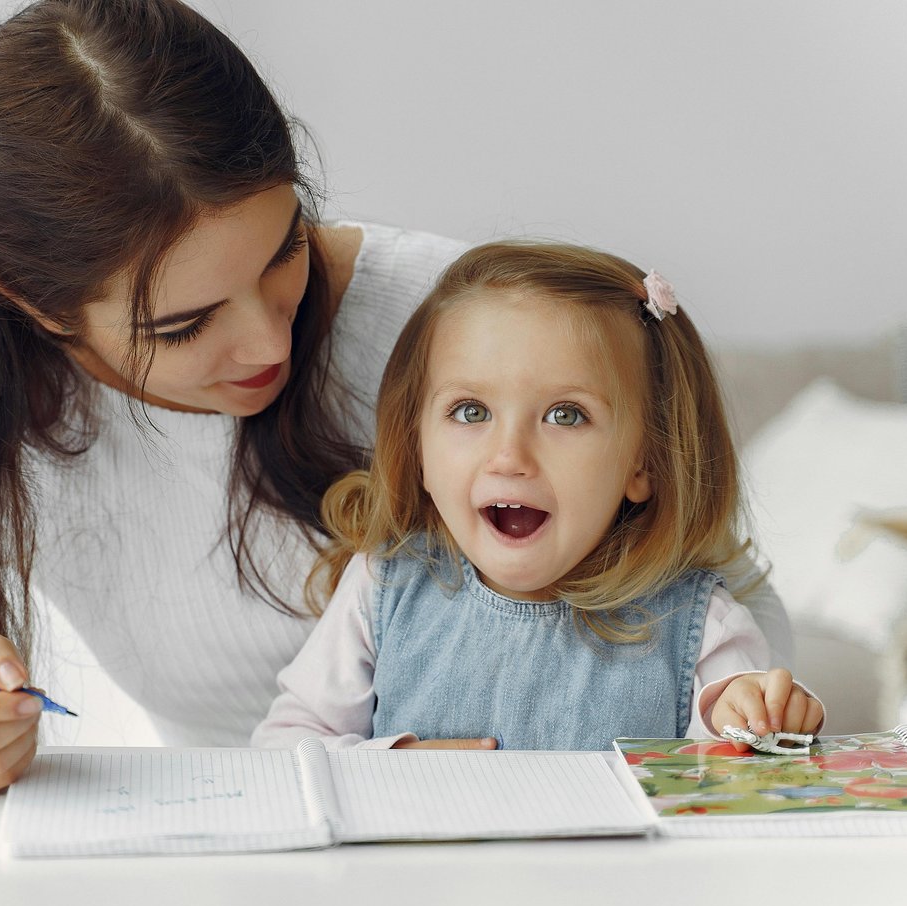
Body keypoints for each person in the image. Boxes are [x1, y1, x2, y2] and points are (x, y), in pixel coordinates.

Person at [0, 0, 794, 794]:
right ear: (37, 310)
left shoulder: (463, 330)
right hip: (227, 868)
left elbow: (713, 594)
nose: (267, 335)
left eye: (284, 249)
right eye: (180, 324)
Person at [251, 241, 824, 752]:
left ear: (644, 462)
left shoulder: (702, 628)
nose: (510, 456)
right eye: (470, 412)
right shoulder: (384, 588)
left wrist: (762, 719)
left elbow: (742, 769)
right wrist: (386, 767)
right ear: (417, 448)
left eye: (565, 415)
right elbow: (285, 746)